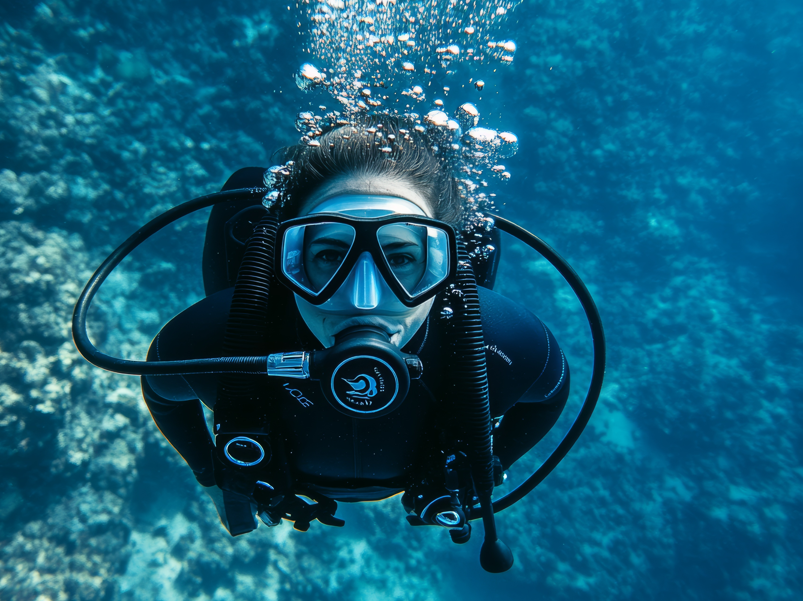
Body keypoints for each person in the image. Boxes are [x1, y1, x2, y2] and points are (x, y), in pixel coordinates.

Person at [139, 115, 570, 543]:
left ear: (441, 263)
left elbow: (551, 396)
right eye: (329, 255)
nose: (365, 299)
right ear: (289, 257)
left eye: (400, 258)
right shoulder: (216, 339)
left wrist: (484, 468)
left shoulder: (504, 344)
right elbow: (160, 391)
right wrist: (209, 475)